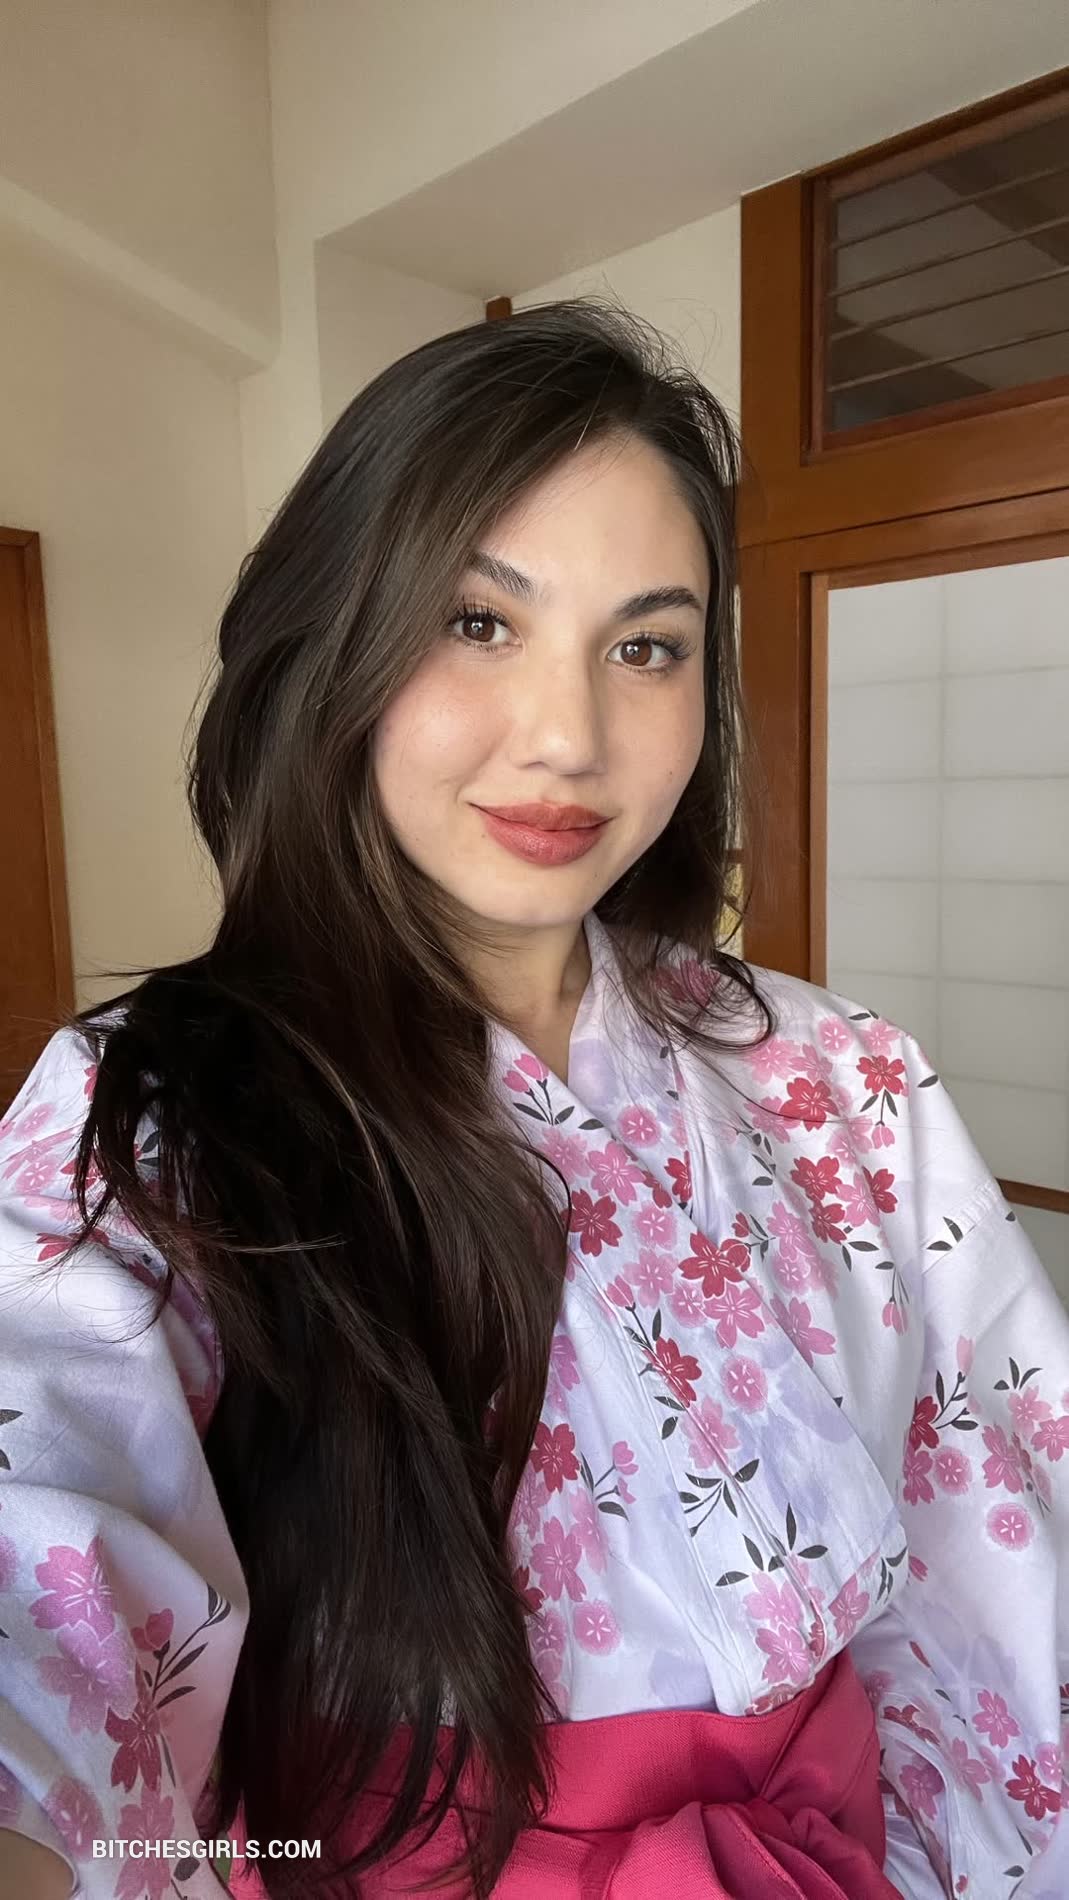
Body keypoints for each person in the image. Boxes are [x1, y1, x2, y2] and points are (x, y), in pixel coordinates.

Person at [0, 300, 1066, 1900]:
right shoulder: (149, 1116)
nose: (569, 738)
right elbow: (39, 1511)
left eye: (646, 647)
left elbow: (1001, 1545)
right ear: (331, 643)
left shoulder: (841, 1077)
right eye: (476, 622)